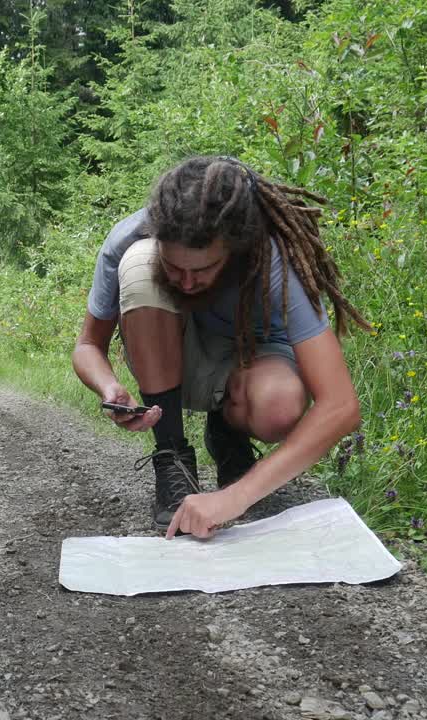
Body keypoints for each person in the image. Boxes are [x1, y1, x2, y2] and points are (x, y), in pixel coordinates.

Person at [71, 155, 370, 539]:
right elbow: (86, 347)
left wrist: (235, 497)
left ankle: (228, 428)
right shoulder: (129, 237)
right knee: (139, 266)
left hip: (253, 360)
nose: (188, 283)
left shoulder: (272, 255)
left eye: (203, 270)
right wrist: (108, 386)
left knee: (279, 406)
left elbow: (341, 407)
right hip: (175, 352)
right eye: (176, 268)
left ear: (233, 249)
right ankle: (172, 455)